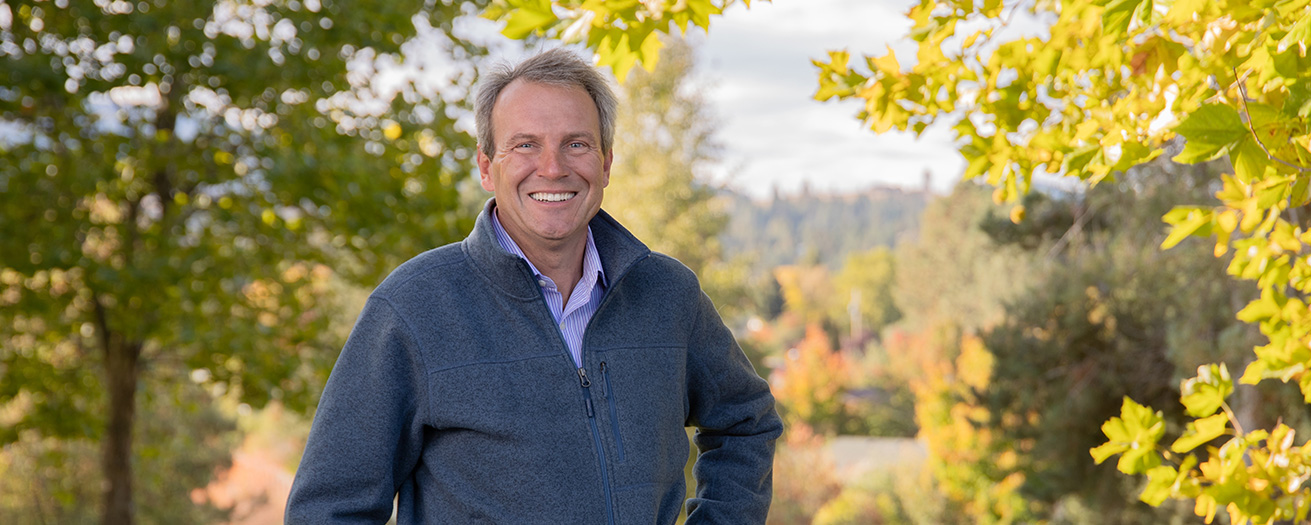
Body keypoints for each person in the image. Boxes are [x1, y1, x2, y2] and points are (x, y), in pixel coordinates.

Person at [285, 48, 783, 525]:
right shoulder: (415, 307)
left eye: (576, 144)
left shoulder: (668, 295)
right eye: (525, 145)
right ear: (486, 167)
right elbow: (328, 509)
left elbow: (746, 422)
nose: (553, 167)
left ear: (606, 162)